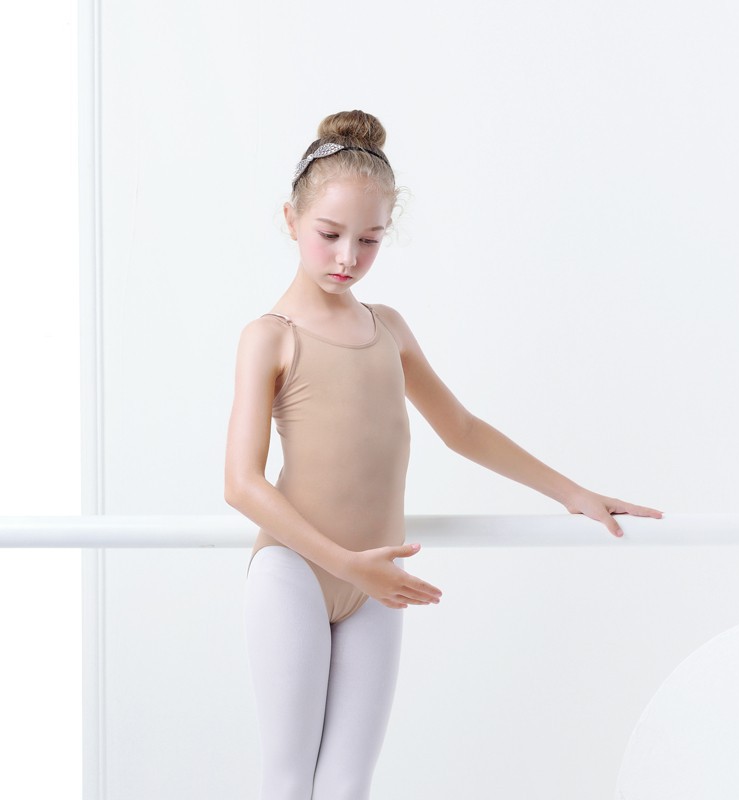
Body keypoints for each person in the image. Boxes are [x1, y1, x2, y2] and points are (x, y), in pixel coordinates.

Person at [224, 109, 663, 800]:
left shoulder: (388, 329)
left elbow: (460, 428)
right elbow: (241, 484)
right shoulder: (270, 337)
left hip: (379, 581)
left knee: (348, 783)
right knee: (288, 779)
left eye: (369, 240)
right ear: (290, 219)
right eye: (329, 234)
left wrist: (571, 492)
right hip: (297, 572)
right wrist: (347, 564)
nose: (347, 257)